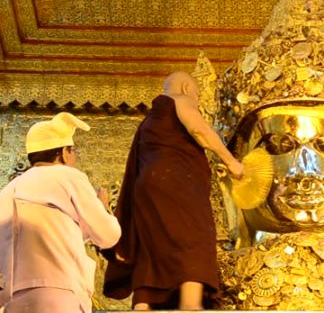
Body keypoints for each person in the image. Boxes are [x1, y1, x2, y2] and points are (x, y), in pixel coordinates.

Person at [103, 71, 244, 310]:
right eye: (198, 96)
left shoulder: (149, 120)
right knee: (193, 236)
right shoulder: (179, 100)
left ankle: (143, 304)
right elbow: (199, 130)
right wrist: (232, 162)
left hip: (146, 187)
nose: (197, 101)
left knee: (152, 244)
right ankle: (190, 305)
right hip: (175, 181)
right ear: (188, 88)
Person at [0, 112, 121, 313]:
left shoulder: (8, 190)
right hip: (59, 289)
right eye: (73, 150)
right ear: (63, 153)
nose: (74, 157)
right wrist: (103, 209)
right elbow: (107, 236)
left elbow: (50, 233)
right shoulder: (68, 176)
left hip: (14, 296)